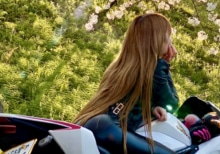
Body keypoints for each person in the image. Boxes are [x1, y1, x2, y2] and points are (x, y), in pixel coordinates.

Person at [73, 13, 179, 153]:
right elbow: (171, 103)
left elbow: (128, 101)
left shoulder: (124, 65)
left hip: (97, 122)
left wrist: (151, 107)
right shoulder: (152, 69)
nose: (170, 42)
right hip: (110, 127)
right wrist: (164, 64)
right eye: (167, 37)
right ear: (156, 40)